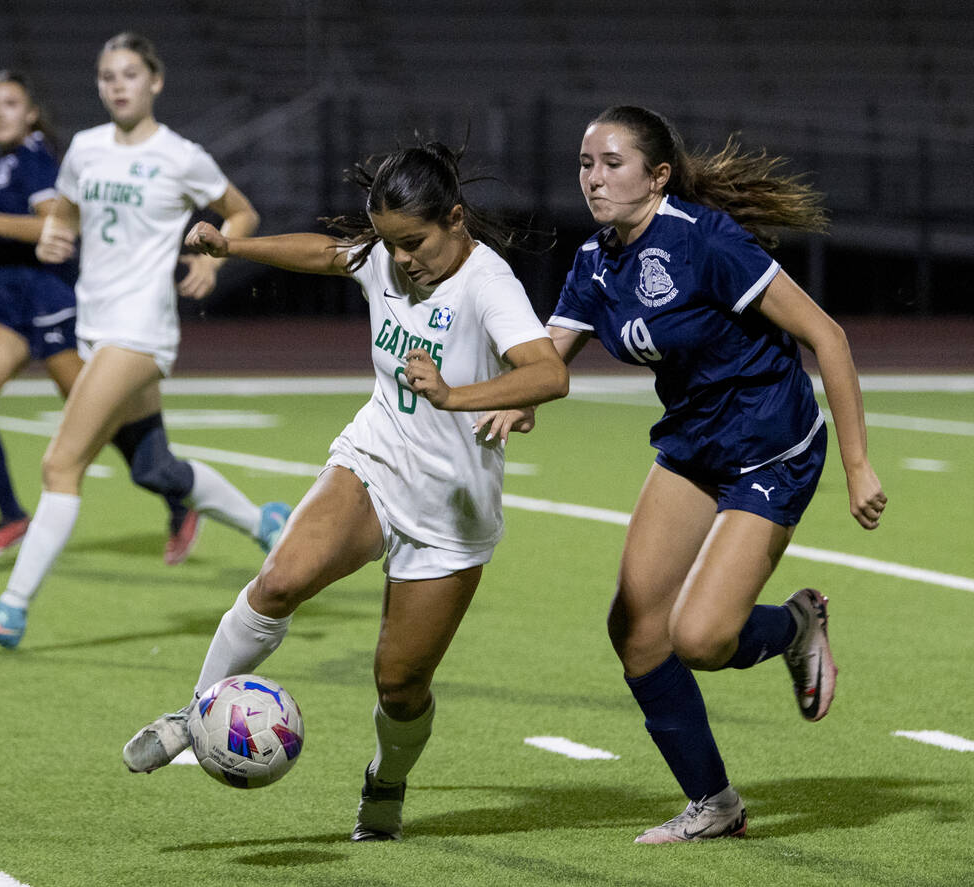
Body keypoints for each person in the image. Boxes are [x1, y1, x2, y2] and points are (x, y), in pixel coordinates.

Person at [120, 141, 570, 843]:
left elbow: (548, 372)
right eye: (389, 242)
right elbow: (330, 254)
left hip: (449, 513)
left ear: (455, 218)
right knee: (279, 579)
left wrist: (457, 395)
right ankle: (193, 713)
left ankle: (386, 781)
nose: (400, 259)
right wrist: (232, 244)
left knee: (399, 685)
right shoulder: (384, 257)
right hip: (374, 458)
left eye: (414, 242)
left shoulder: (488, 283)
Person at [525, 106, 887, 843]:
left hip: (770, 450)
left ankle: (795, 625)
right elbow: (543, 359)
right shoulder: (596, 260)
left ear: (658, 176)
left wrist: (857, 464)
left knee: (698, 638)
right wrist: (498, 402)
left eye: (612, 163)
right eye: (585, 165)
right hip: (693, 445)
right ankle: (715, 803)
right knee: (634, 630)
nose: (593, 179)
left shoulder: (706, 241)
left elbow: (827, 335)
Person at [0, 33, 288, 646]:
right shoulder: (84, 149)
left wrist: (215, 256)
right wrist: (53, 239)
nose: (118, 85)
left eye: (130, 74)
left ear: (155, 81)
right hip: (95, 324)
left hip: (141, 329)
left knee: (60, 463)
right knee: (153, 466)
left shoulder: (181, 154)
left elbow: (242, 212)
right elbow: (66, 220)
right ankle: (262, 521)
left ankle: (12, 609)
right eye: (107, 76)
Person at [0, 69, 243, 565]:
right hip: (8, 302)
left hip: (51, 302)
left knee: (102, 422)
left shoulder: (36, 158)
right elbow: (27, 226)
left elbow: (55, 223)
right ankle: (12, 516)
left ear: (32, 112)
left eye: (10, 103)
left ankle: (177, 499)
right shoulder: (2, 164)